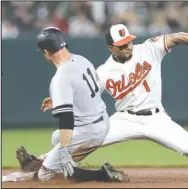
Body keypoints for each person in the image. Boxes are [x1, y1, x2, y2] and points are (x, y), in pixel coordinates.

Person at [14, 24, 188, 179]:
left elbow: (176, 37)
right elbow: (84, 90)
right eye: (122, 44)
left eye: (129, 41)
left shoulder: (148, 49)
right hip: (124, 119)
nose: (128, 46)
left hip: (157, 118)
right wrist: (59, 99)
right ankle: (40, 161)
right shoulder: (104, 72)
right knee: (87, 137)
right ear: (111, 48)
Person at [3, 27, 129, 183]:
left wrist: (64, 151)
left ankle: (103, 174)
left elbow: (66, 119)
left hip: (88, 132)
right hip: (101, 121)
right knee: (57, 138)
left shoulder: (61, 77)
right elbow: (89, 91)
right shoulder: (82, 60)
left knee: (45, 174)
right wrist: (59, 99)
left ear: (46, 52)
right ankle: (34, 162)